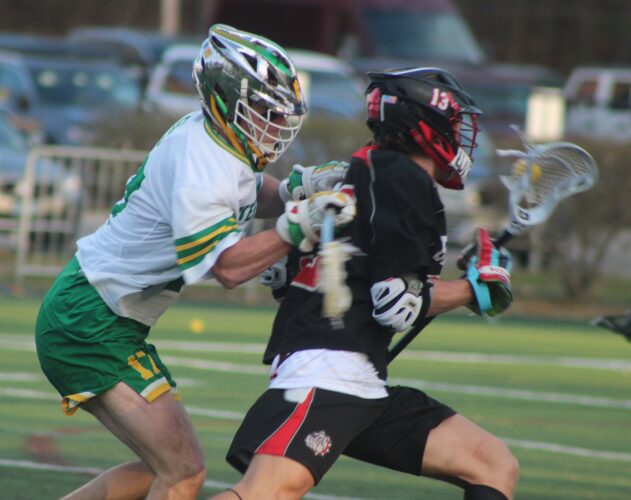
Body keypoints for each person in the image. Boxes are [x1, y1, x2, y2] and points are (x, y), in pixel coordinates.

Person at [34, 24, 355, 500]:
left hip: (100, 314)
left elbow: (244, 194)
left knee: (163, 469)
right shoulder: (201, 167)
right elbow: (228, 268)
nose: (275, 125)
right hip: (90, 321)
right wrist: (297, 225)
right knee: (183, 472)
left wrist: (294, 190)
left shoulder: (216, 140)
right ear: (228, 101)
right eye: (266, 112)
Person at [213, 67, 519, 500]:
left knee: (491, 463)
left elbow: (354, 279)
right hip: (330, 371)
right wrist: (475, 288)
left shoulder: (365, 169)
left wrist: (469, 284)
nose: (459, 136)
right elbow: (396, 304)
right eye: (453, 124)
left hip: (357, 375)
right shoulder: (404, 179)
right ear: (424, 125)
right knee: (266, 493)